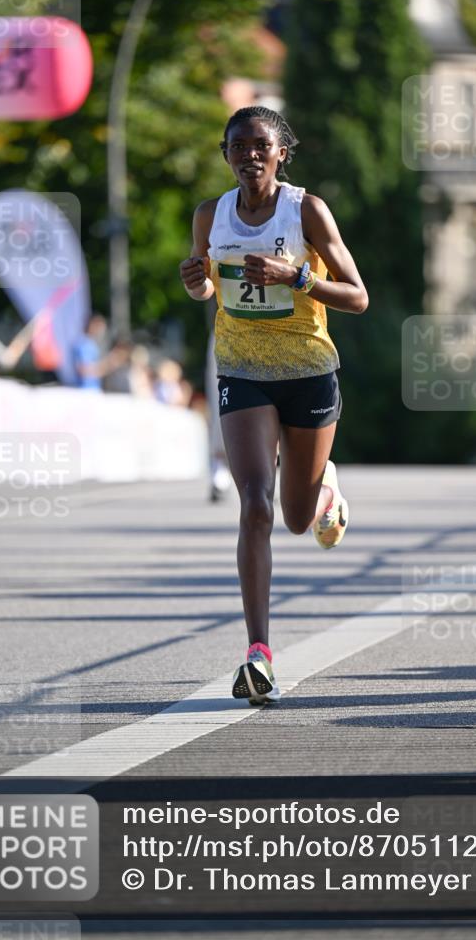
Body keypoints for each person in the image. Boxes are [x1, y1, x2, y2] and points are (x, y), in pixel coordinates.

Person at [179, 106, 368, 705]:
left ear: (281, 152)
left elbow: (358, 297)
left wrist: (298, 278)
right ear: (226, 153)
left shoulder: (305, 211)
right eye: (238, 146)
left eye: (261, 145)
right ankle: (258, 653)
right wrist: (197, 284)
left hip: (309, 369)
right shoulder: (210, 215)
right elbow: (211, 286)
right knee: (254, 505)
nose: (249, 155)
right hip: (241, 368)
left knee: (295, 517)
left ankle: (324, 492)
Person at [73, 313, 128, 390]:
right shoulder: (84, 344)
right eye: (99, 327)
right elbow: (83, 370)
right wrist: (108, 364)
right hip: (86, 391)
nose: (101, 331)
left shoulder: (90, 344)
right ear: (92, 325)